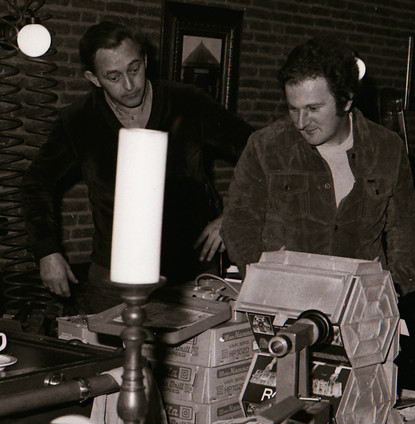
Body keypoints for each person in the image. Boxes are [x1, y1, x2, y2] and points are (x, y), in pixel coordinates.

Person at [22, 21, 254, 314]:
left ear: (145, 60)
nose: (130, 85)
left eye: (134, 69)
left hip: (189, 270)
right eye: (114, 77)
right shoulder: (78, 120)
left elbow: (260, 153)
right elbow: (36, 183)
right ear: (94, 78)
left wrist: (231, 215)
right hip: (113, 275)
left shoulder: (188, 102)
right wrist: (47, 251)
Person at [222, 37, 415, 296]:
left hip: (362, 302)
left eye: (313, 108)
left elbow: (405, 226)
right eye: (293, 109)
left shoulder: (388, 148)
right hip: (285, 299)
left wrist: (394, 285)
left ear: (346, 100)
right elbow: (238, 221)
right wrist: (262, 277)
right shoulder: (265, 147)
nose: (300, 122)